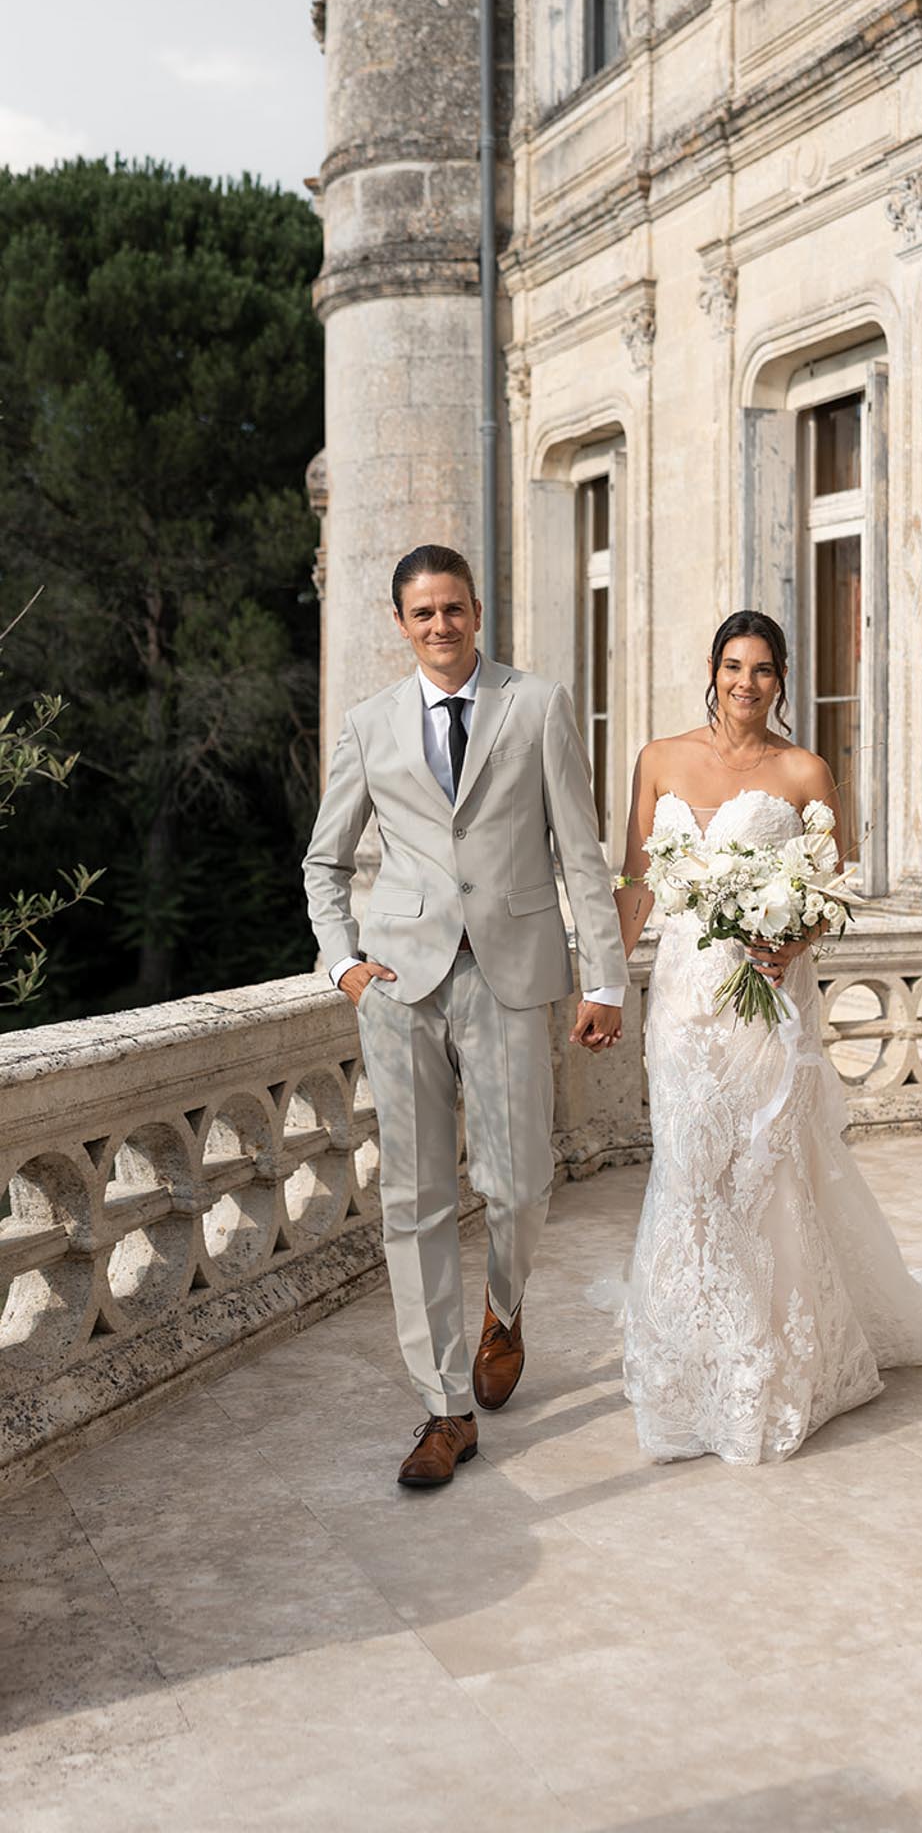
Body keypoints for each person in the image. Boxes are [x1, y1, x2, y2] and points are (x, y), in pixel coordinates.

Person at [607, 609, 922, 1466]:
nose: (747, 684)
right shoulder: (660, 758)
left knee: (762, 1168)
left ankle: (771, 1365)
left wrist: (791, 940)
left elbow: (834, 882)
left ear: (781, 681)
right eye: (734, 666)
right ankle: (694, 1358)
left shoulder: (804, 770)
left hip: (768, 997)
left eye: (764, 670)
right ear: (711, 671)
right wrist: (606, 983)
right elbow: (638, 874)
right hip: (681, 999)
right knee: (686, 1162)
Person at [303, 545, 626, 1488]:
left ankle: (504, 1303)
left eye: (453, 609)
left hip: (514, 973)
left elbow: (581, 851)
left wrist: (603, 977)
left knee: (520, 1183)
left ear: (477, 612)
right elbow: (325, 863)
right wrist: (342, 966)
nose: (440, 626)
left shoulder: (538, 705)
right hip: (400, 984)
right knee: (413, 1202)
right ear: (399, 624)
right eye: (422, 613)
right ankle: (444, 1411)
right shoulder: (368, 725)